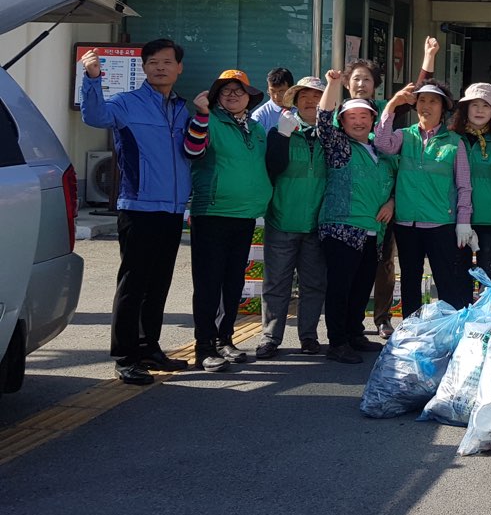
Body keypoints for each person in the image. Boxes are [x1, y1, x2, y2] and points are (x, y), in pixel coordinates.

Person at [79, 39, 193, 385]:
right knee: (133, 283)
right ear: (143, 68)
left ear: (178, 68)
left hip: (173, 209)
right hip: (139, 206)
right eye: (153, 62)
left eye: (167, 62)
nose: (160, 67)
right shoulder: (126, 103)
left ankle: (149, 347)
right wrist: (92, 78)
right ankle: (126, 355)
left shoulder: (183, 109)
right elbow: (94, 115)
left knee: (159, 282)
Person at [184, 70, 274, 373]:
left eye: (239, 90)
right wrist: (200, 115)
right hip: (212, 212)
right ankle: (204, 346)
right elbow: (192, 150)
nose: (233, 95)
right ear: (215, 97)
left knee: (233, 282)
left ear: (249, 97)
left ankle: (225, 339)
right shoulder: (208, 120)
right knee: (208, 283)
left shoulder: (256, 127)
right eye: (226, 91)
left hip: (245, 214)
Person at [316, 71, 396, 363]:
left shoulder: (379, 151)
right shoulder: (339, 146)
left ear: (373, 121)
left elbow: (395, 182)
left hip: (373, 230)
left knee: (362, 286)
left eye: (365, 117)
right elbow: (323, 120)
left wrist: (392, 201)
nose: (359, 121)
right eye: (352, 117)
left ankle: (354, 333)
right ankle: (337, 341)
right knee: (341, 286)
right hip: (342, 226)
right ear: (343, 121)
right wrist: (334, 84)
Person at [375, 80, 474, 313]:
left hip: (441, 223)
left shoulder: (454, 143)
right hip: (406, 222)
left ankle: (450, 330)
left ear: (443, 107)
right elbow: (381, 144)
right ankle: (411, 332)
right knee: (410, 280)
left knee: (446, 281)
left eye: (433, 101)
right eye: (421, 100)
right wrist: (391, 106)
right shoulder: (404, 136)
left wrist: (463, 221)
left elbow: (464, 186)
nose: (426, 106)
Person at [258, 75, 328, 359]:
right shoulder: (280, 131)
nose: (310, 101)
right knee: (276, 283)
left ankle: (308, 336)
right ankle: (269, 337)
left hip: (317, 222)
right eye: (304, 97)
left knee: (314, 284)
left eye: (316, 97)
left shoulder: (333, 135)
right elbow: (272, 167)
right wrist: (283, 137)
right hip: (282, 218)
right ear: (295, 102)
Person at [342, 57, 399, 339]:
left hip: (383, 207)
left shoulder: (384, 116)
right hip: (348, 210)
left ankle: (382, 317)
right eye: (356, 79)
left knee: (383, 265)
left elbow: (397, 163)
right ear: (347, 83)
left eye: (366, 79)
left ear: (376, 85)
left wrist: (392, 201)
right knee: (350, 270)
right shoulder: (339, 116)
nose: (361, 84)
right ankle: (348, 328)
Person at [452, 82, 491, 294]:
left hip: (490, 216)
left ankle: (488, 319)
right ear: (465, 108)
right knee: (459, 273)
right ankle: (462, 318)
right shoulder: (453, 138)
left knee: (488, 273)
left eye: (485, 106)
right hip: (457, 217)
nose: (479, 110)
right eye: (474, 105)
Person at [251, 66, 295, 131]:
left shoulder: (302, 109)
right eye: (272, 91)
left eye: (281, 91)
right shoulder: (259, 116)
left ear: (291, 90)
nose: (276, 97)